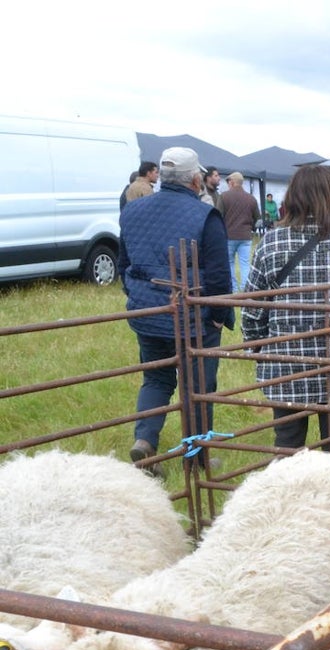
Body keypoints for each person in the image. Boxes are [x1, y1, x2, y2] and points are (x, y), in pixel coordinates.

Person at [242, 165, 330, 452]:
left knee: (288, 446)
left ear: (292, 196)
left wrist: (256, 347)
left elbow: (253, 308)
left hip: (287, 363)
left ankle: (289, 496)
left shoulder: (270, 244)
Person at [119, 147, 233, 474]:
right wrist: (216, 314)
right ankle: (197, 457)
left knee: (155, 378)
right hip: (193, 316)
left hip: (147, 314)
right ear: (196, 179)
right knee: (198, 387)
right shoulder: (204, 215)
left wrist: (138, 296)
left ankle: (145, 441)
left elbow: (125, 263)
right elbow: (218, 274)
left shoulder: (132, 210)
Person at [221, 172, 260, 292]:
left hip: (229, 235)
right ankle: (245, 289)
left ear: (232, 182)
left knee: (230, 263)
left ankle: (233, 289)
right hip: (245, 236)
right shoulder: (251, 198)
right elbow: (258, 218)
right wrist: (251, 228)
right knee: (245, 264)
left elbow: (219, 216)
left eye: (228, 182)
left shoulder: (223, 196)